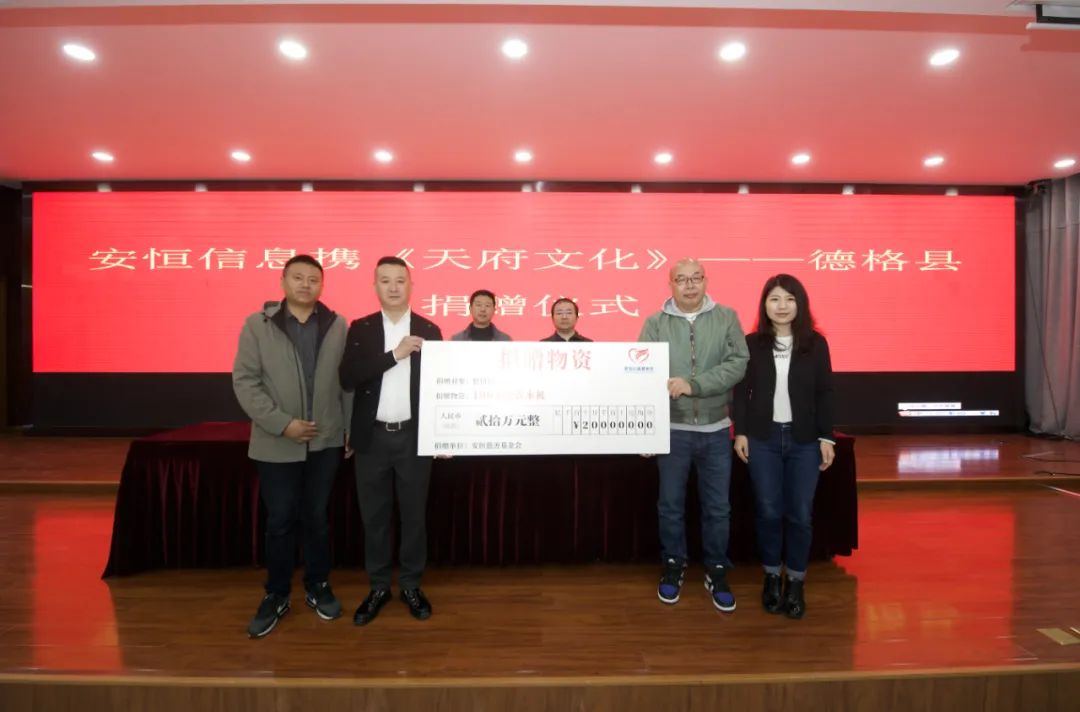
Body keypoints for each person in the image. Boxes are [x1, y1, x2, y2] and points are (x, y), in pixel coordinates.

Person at [233, 254, 351, 638]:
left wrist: (349, 429)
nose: (305, 284)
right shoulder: (257, 325)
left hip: (325, 442)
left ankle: (318, 585)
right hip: (276, 443)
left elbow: (347, 383)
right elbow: (245, 381)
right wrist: (283, 424)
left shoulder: (338, 325)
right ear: (283, 282)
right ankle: (277, 593)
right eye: (297, 278)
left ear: (322, 285)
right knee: (281, 519)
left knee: (316, 517)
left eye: (313, 279)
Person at [639, 258, 748, 613]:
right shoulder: (655, 323)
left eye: (696, 278)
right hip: (672, 431)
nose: (689, 285)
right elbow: (640, 373)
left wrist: (694, 384)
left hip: (716, 430)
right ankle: (674, 563)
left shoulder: (726, 317)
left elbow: (738, 363)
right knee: (670, 506)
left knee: (718, 508)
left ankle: (716, 569)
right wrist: (646, 431)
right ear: (670, 284)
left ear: (705, 281)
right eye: (681, 279)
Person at [340, 256, 443, 625]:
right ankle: (379, 586)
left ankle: (412, 585)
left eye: (400, 280)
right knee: (375, 517)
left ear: (411, 284)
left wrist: (443, 432)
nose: (394, 287)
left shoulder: (429, 329)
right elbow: (348, 377)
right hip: (372, 439)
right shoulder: (362, 327)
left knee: (414, 517)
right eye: (385, 280)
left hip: (414, 438)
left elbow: (439, 387)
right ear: (375, 286)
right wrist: (394, 355)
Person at [732, 274, 835, 620]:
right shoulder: (752, 343)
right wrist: (741, 433)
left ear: (800, 304)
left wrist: (827, 437)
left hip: (804, 440)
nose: (782, 306)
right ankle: (772, 577)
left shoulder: (816, 344)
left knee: (800, 513)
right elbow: (741, 393)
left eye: (789, 299)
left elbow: (825, 392)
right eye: (774, 299)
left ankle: (796, 582)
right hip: (763, 438)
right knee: (768, 511)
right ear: (764, 305)